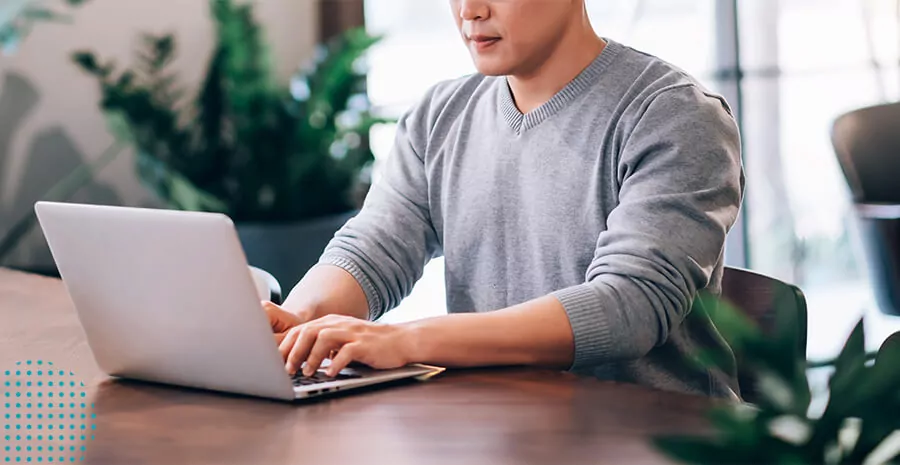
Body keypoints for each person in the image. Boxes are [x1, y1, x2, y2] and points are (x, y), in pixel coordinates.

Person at [264, 0, 745, 398]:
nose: (469, 11)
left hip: (657, 437)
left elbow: (629, 309)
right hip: (502, 429)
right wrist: (298, 324)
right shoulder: (440, 116)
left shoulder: (674, 116)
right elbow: (374, 246)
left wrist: (408, 340)